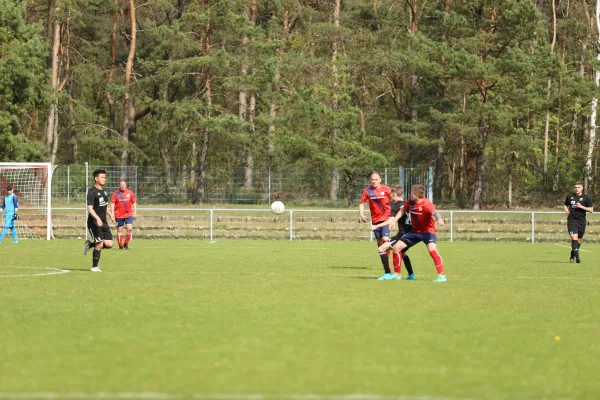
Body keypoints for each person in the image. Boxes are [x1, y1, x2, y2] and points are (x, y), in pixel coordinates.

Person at [373, 184, 447, 282]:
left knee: (432, 250)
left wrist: (440, 219)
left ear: (416, 194)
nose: (410, 194)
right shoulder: (410, 202)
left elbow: (435, 212)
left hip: (427, 231)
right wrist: (394, 220)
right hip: (415, 232)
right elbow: (403, 210)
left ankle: (441, 276)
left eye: (412, 193)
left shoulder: (426, 204)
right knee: (396, 248)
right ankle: (397, 274)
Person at [359, 171, 396, 280]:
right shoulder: (367, 191)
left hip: (386, 219)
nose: (374, 181)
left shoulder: (386, 189)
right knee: (380, 244)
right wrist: (361, 213)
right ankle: (387, 263)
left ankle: (398, 250)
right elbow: (362, 203)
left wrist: (393, 219)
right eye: (372, 179)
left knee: (385, 239)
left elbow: (394, 201)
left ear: (380, 180)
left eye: (376, 179)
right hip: (375, 220)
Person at [84, 169, 115, 272]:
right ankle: (94, 267)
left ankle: (90, 244)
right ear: (96, 178)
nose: (104, 179)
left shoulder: (104, 191)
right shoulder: (92, 192)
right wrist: (97, 218)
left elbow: (104, 206)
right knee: (100, 244)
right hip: (94, 222)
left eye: (105, 177)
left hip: (103, 221)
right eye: (102, 177)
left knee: (110, 244)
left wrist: (110, 214)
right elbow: (90, 208)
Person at [388, 186, 416, 280]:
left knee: (383, 248)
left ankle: (390, 273)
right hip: (412, 233)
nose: (391, 197)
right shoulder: (408, 203)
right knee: (402, 252)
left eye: (391, 195)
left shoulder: (395, 205)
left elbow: (391, 219)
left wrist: (378, 225)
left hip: (402, 234)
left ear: (395, 194)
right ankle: (411, 274)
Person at [564, 182, 593, 263]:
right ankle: (577, 257)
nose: (577, 189)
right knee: (574, 238)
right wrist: (566, 209)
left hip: (581, 221)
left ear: (582, 188)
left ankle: (573, 253)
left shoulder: (586, 198)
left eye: (578, 187)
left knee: (579, 240)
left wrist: (581, 207)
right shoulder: (570, 196)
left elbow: (591, 210)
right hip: (571, 220)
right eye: (575, 187)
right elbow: (565, 204)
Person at [111, 178, 137, 250]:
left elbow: (134, 202)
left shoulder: (130, 192)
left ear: (125, 184)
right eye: (121, 185)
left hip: (128, 214)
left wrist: (134, 211)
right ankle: (120, 246)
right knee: (120, 230)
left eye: (123, 185)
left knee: (129, 228)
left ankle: (125, 244)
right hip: (119, 215)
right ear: (120, 185)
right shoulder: (116, 193)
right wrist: (112, 213)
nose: (122, 186)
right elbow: (112, 203)